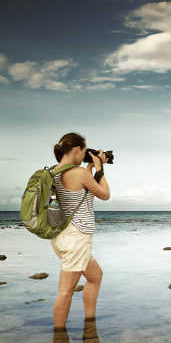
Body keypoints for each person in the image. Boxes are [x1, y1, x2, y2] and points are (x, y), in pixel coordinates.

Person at [50, 132, 110, 330]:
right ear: (77, 150)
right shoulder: (79, 173)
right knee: (65, 291)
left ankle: (89, 324)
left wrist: (90, 168)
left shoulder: (53, 171)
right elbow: (105, 194)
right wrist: (99, 168)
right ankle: (59, 337)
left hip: (60, 236)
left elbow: (79, 192)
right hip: (77, 238)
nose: (85, 154)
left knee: (95, 276)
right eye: (84, 151)